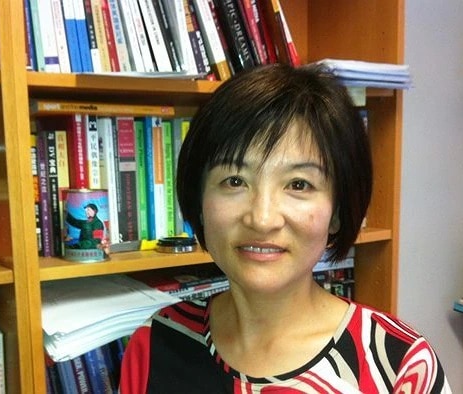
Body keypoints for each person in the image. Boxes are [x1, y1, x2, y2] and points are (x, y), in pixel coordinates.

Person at [119, 64, 451, 393]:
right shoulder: (158, 341)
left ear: (336, 210)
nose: (262, 219)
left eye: (298, 184)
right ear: (200, 201)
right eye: (235, 181)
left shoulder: (400, 368)